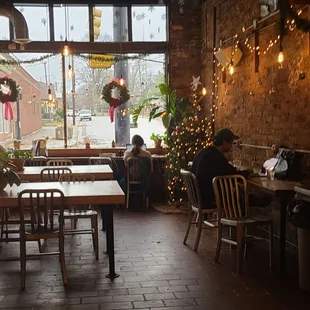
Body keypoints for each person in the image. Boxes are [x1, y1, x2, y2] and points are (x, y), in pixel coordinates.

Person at [192, 128, 250, 208]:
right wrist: (247, 173)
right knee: (239, 195)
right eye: (231, 143)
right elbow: (232, 175)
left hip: (197, 196)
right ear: (224, 142)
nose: (232, 146)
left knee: (237, 192)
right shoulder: (216, 157)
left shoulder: (202, 153)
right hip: (209, 199)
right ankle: (246, 212)